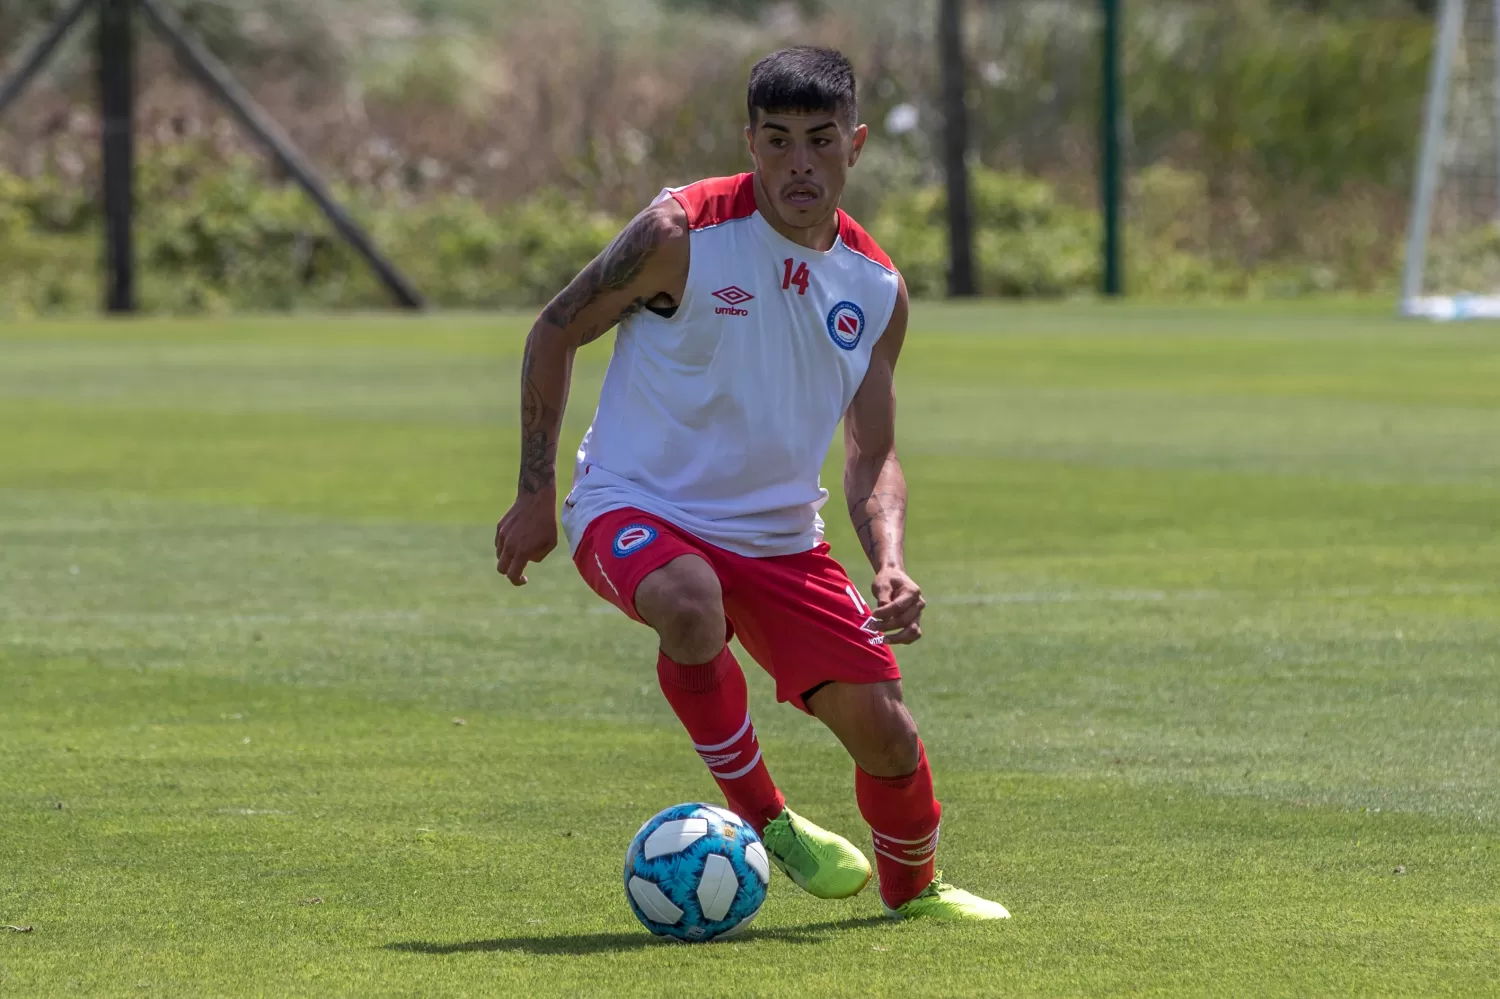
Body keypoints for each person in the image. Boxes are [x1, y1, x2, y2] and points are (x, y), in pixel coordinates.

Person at [494, 45, 1009, 921]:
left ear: (857, 143)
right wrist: (537, 492)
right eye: (776, 141)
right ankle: (766, 819)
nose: (797, 164)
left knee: (886, 731)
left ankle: (914, 893)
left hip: (779, 537)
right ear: (750, 140)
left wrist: (889, 558)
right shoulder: (678, 235)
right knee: (690, 601)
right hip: (634, 502)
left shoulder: (877, 287)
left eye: (819, 141)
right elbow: (552, 330)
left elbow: (871, 453)